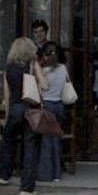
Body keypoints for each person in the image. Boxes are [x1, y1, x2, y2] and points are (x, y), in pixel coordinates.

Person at [0, 36, 45, 195]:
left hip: (15, 109)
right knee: (30, 148)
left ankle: (3, 175)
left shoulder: (9, 68)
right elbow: (44, 85)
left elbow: (7, 96)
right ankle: (26, 189)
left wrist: (7, 115)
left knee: (7, 141)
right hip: (31, 109)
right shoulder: (33, 65)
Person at [36, 41, 70, 185]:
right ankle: (57, 173)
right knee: (56, 140)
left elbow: (40, 88)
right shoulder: (63, 68)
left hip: (47, 105)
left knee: (45, 141)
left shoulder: (43, 71)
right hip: (59, 105)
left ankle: (46, 173)